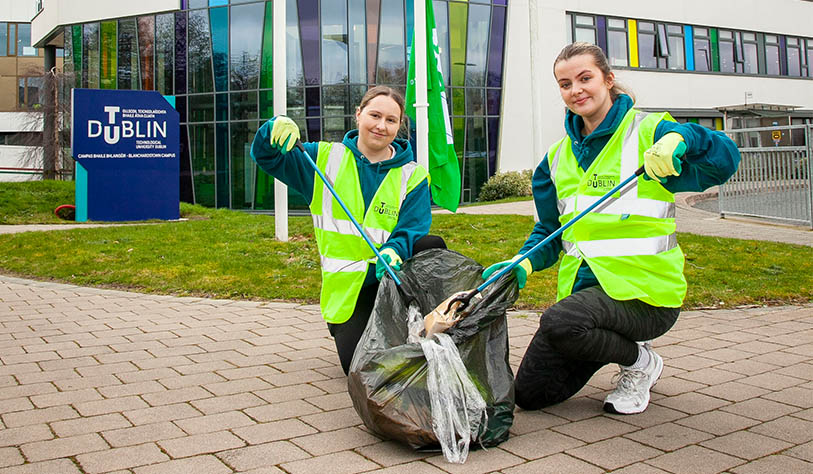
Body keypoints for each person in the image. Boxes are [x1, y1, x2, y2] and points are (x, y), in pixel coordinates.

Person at [482, 42, 740, 414]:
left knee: (561, 321)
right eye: (565, 83)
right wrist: (522, 262)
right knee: (530, 395)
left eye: (585, 78)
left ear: (608, 79)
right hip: (584, 297)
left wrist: (681, 138)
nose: (576, 90)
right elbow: (549, 233)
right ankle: (605, 344)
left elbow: (726, 159)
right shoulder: (555, 161)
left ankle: (639, 363)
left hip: (647, 296)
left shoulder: (649, 133)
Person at [250, 86, 445, 375]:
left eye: (391, 120)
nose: (381, 126)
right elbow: (268, 158)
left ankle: (430, 326)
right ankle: (353, 329)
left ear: (399, 125)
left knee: (431, 245)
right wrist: (271, 130)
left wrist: (393, 250)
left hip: (391, 279)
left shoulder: (412, 174)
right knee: (361, 369)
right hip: (349, 291)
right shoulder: (323, 159)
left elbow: (413, 227)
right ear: (358, 115)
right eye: (375, 115)